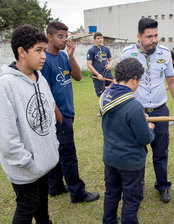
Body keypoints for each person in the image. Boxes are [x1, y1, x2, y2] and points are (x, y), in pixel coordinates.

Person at [0, 24, 59, 224]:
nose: (44, 56)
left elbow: (49, 115)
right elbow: (6, 136)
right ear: (21, 52)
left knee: (42, 207)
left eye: (44, 50)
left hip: (44, 162)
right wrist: (26, 162)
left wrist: (53, 147)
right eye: (38, 50)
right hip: (24, 167)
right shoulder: (5, 84)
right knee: (26, 208)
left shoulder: (40, 78)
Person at [120, 18, 174, 203]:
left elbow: (171, 82)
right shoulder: (127, 53)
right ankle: (137, 184)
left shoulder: (164, 52)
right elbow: (122, 85)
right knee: (137, 152)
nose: (153, 40)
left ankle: (163, 186)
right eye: (149, 36)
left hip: (160, 110)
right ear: (139, 36)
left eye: (155, 35)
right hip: (136, 112)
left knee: (161, 152)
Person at [41, 21, 100, 203]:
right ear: (49, 36)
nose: (64, 40)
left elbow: (77, 76)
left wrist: (71, 55)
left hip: (67, 112)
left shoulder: (62, 56)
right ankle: (78, 193)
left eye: (66, 36)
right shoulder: (44, 61)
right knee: (68, 155)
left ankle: (56, 187)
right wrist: (60, 118)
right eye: (60, 36)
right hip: (59, 116)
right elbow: (46, 94)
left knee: (57, 153)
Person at [100, 57, 155, 224]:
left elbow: (121, 121)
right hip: (130, 163)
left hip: (110, 158)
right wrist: (150, 128)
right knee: (131, 200)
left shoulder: (106, 96)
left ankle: (108, 221)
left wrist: (139, 119)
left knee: (112, 193)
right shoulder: (134, 106)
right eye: (139, 80)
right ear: (134, 79)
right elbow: (144, 138)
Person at [87, 32, 114, 108]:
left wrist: (109, 65)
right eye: (98, 38)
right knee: (100, 93)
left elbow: (111, 60)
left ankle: (111, 108)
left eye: (101, 38)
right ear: (94, 40)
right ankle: (102, 109)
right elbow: (89, 64)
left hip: (108, 74)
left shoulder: (106, 49)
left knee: (112, 91)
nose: (100, 40)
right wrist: (98, 75)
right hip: (97, 76)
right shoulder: (91, 50)